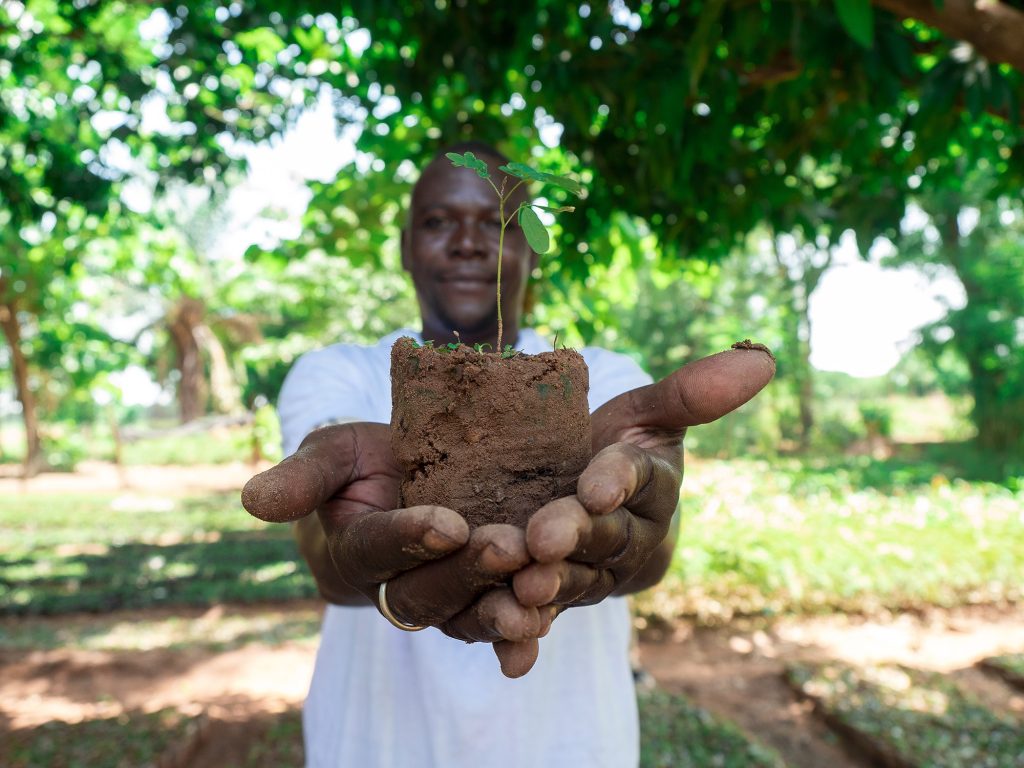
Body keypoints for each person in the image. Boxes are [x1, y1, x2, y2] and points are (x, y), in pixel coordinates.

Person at [241, 141, 775, 768]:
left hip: (571, 746)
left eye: (496, 223)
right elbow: (327, 556)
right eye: (440, 222)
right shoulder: (342, 375)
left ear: (526, 247)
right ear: (406, 248)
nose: (469, 241)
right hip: (376, 746)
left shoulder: (593, 377)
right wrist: (353, 542)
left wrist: (639, 532)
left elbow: (652, 548)